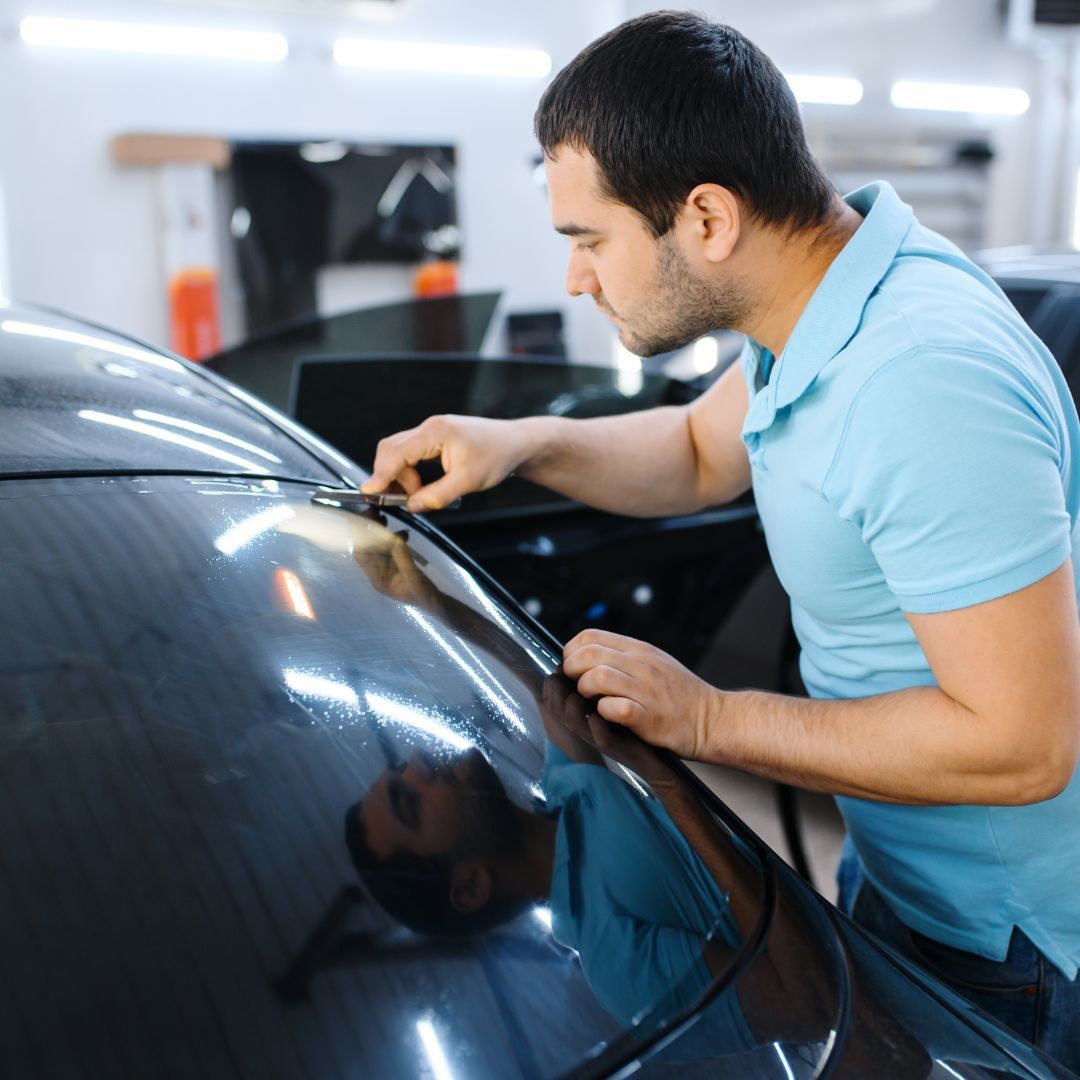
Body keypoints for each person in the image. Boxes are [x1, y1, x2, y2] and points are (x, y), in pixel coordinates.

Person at [359, 10, 1080, 1067]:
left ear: (705, 217)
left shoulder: (918, 379)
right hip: (903, 868)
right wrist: (518, 441)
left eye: (589, 239)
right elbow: (701, 449)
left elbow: (1025, 743)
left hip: (1006, 941)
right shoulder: (827, 311)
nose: (576, 278)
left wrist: (708, 716)